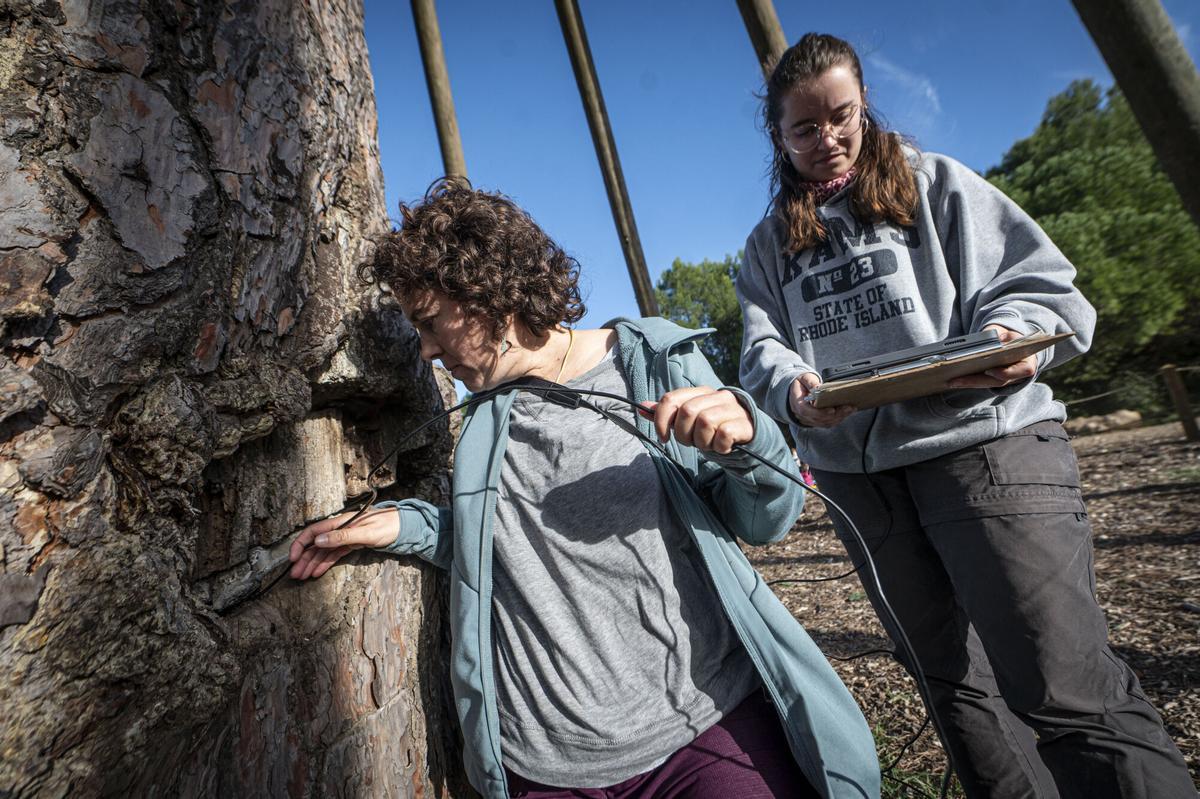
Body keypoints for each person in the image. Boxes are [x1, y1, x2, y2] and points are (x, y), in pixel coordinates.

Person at [288, 179, 880, 799]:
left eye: (431, 323)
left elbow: (765, 520)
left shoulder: (652, 360)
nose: (429, 353)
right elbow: (502, 542)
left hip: (707, 729)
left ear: (485, 290)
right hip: (546, 766)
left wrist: (752, 441)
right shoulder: (481, 428)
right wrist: (406, 526)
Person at [735, 32, 1196, 799]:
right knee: (953, 687)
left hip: (987, 447)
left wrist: (1014, 336)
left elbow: (1039, 284)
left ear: (864, 109)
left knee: (1064, 686)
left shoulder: (936, 184)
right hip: (864, 480)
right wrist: (791, 390)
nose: (829, 138)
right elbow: (762, 350)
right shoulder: (767, 245)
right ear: (778, 137)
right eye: (805, 128)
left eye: (842, 116)